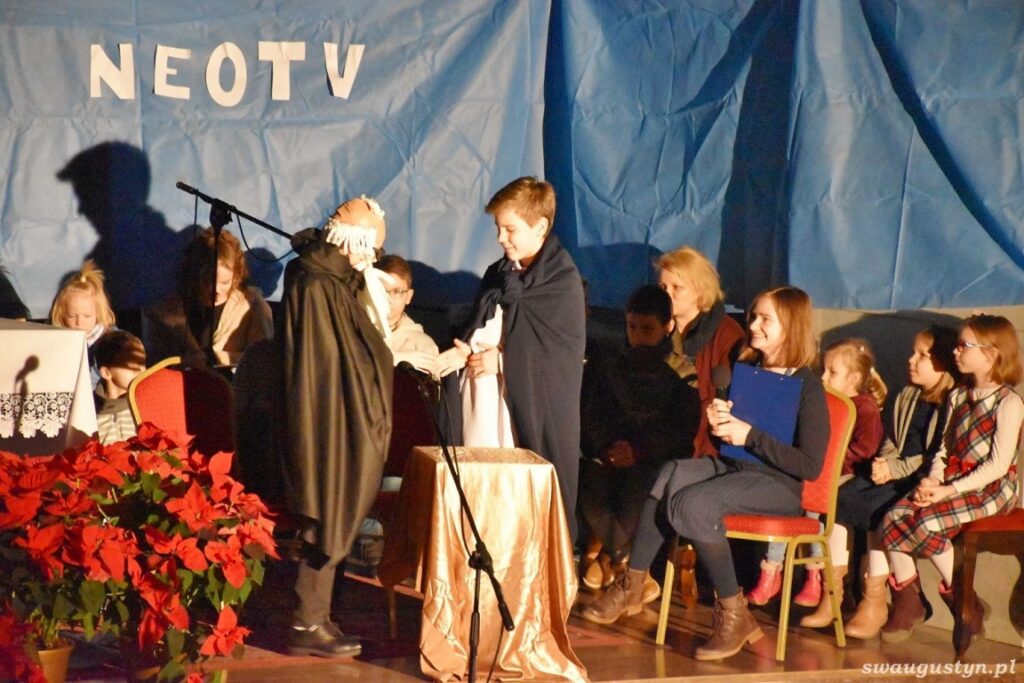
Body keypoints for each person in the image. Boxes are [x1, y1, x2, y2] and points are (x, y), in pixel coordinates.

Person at [583, 286, 829, 662]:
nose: (754, 325)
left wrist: (750, 435)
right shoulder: (747, 370)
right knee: (669, 473)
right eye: (754, 316)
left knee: (694, 503)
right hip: (734, 468)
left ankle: (734, 614)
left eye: (765, 319)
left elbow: (809, 465)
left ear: (791, 326)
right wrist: (720, 421)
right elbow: (732, 438)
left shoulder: (806, 386)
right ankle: (633, 581)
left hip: (776, 485)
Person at [437, 176, 586, 539]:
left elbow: (561, 358)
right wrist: (467, 349)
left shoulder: (560, 282)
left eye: (510, 229)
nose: (501, 238)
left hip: (520, 411)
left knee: (513, 499)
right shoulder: (499, 273)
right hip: (482, 402)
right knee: (479, 491)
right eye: (498, 228)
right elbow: (485, 324)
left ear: (540, 227)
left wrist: (503, 363)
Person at [279, 196, 393, 658]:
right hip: (327, 414)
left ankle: (320, 615)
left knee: (338, 505)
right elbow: (329, 360)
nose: (338, 211)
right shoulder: (315, 284)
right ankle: (307, 621)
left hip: (343, 409)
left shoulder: (334, 281)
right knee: (326, 503)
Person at [880, 314, 1023, 643]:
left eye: (964, 345)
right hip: (951, 483)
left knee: (926, 524)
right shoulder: (958, 396)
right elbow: (943, 450)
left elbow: (998, 465)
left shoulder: (1008, 402)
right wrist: (933, 481)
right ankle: (922, 600)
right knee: (894, 517)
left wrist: (948, 490)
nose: (956, 351)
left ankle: (963, 600)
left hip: (989, 489)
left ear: (991, 354)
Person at [821, 326, 958, 639]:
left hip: (922, 479)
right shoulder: (907, 395)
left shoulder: (952, 401)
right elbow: (892, 438)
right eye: (912, 352)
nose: (911, 360)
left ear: (942, 361)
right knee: (841, 498)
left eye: (921, 355)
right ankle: (833, 591)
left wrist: (894, 469)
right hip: (894, 472)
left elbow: (936, 455)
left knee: (878, 509)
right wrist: (883, 463)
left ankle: (875, 600)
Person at [578, 285, 697, 592]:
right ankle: (623, 560)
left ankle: (612, 560)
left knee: (637, 493)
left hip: (653, 459)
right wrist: (607, 447)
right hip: (612, 453)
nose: (638, 336)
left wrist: (638, 449)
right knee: (588, 486)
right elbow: (594, 415)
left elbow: (681, 430)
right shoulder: (611, 364)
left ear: (667, 327)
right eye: (632, 327)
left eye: (647, 329)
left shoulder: (682, 372)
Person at [783, 339, 885, 624]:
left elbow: (864, 448)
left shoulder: (864, 408)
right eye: (823, 371)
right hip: (820, 474)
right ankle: (801, 577)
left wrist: (832, 461)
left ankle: (819, 578)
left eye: (833, 372)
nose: (823, 378)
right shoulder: (825, 403)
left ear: (854, 379)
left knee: (823, 509)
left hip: (847, 476)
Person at [655, 247, 745, 458]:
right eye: (662, 287)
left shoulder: (728, 334)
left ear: (700, 291)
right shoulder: (653, 328)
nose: (666, 294)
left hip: (705, 448)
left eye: (677, 287)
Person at [143, 227, 272, 368]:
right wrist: (185, 359)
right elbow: (152, 360)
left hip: (231, 381)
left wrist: (217, 358)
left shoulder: (252, 306)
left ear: (236, 277)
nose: (216, 290)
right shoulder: (169, 309)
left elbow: (264, 359)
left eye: (225, 282)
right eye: (207, 281)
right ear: (195, 274)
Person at [375, 254, 439, 374]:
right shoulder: (352, 331)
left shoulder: (422, 345)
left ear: (408, 296)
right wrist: (394, 358)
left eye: (396, 292)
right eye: (380, 290)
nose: (388, 299)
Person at [92, 330, 146, 445]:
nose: (140, 370)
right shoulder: (90, 412)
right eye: (130, 364)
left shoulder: (144, 407)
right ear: (106, 373)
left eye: (142, 363)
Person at [50, 260, 117, 348]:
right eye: (71, 316)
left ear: (98, 313)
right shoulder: (58, 340)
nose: (79, 323)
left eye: (87, 316)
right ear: (62, 315)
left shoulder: (113, 342)